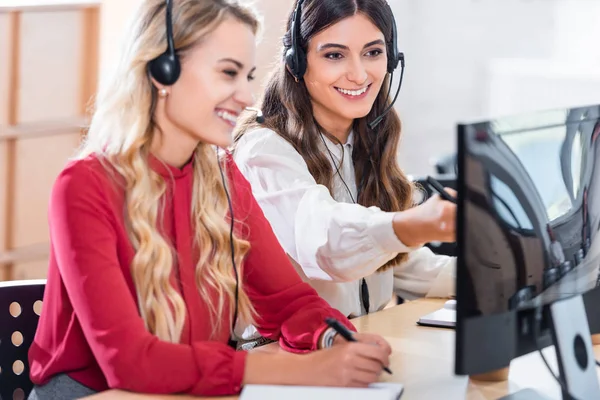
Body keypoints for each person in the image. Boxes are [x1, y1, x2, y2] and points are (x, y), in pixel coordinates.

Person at [27, 1, 392, 398]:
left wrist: (330, 338)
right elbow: (131, 362)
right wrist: (292, 369)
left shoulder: (221, 174)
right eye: (227, 73)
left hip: (193, 388)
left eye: (247, 76)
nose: (245, 95)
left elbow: (285, 300)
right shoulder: (83, 185)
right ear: (162, 70)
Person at [233, 0, 456, 320]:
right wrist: (415, 225)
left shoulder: (363, 141)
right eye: (334, 55)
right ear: (296, 62)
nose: (359, 74)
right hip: (288, 360)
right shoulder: (264, 152)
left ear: (392, 59)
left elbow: (395, 263)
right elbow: (326, 246)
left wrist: (504, 274)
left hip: (359, 346)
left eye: (373, 52)